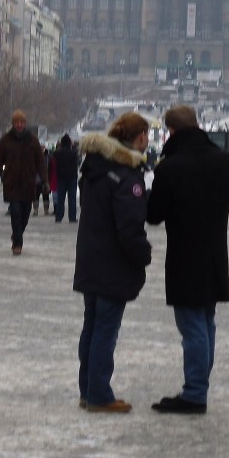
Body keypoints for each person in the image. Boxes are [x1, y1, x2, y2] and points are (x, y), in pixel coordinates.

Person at [146, 105, 229, 414]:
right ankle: (197, 387)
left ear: (172, 132)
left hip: (184, 256)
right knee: (205, 324)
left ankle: (195, 394)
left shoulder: (170, 167)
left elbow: (153, 216)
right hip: (215, 256)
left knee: (192, 327)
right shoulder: (223, 160)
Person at [73, 113, 153, 413]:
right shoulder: (126, 176)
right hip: (111, 265)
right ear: (140, 137)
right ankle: (99, 395)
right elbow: (130, 227)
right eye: (145, 135)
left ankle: (88, 389)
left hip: (91, 260)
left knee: (92, 327)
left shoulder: (96, 167)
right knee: (105, 330)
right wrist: (144, 254)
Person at [0, 109, 48, 255]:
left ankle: (16, 234)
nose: (19, 125)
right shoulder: (5, 140)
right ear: (13, 124)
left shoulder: (33, 140)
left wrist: (45, 180)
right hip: (12, 183)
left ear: (25, 123)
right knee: (15, 211)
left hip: (28, 183)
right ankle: (18, 243)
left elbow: (40, 162)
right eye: (16, 122)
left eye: (22, 122)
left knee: (25, 214)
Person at [53, 134, 79, 223]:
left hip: (61, 178)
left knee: (60, 199)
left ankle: (59, 217)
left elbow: (54, 155)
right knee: (72, 199)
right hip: (72, 178)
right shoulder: (74, 153)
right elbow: (78, 161)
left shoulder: (57, 153)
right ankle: (72, 217)